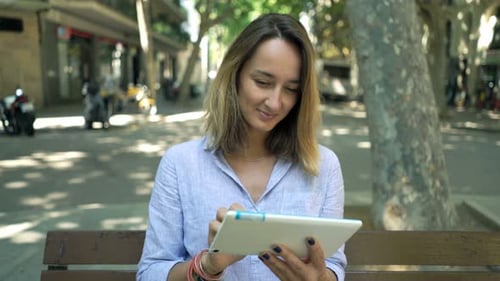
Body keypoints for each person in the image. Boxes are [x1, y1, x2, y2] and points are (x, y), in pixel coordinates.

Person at [137, 13, 346, 281]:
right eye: (262, 82)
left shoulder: (324, 166)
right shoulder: (180, 165)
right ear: (234, 75)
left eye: (291, 89)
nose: (275, 102)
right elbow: (150, 272)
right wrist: (207, 265)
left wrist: (318, 279)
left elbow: (334, 267)